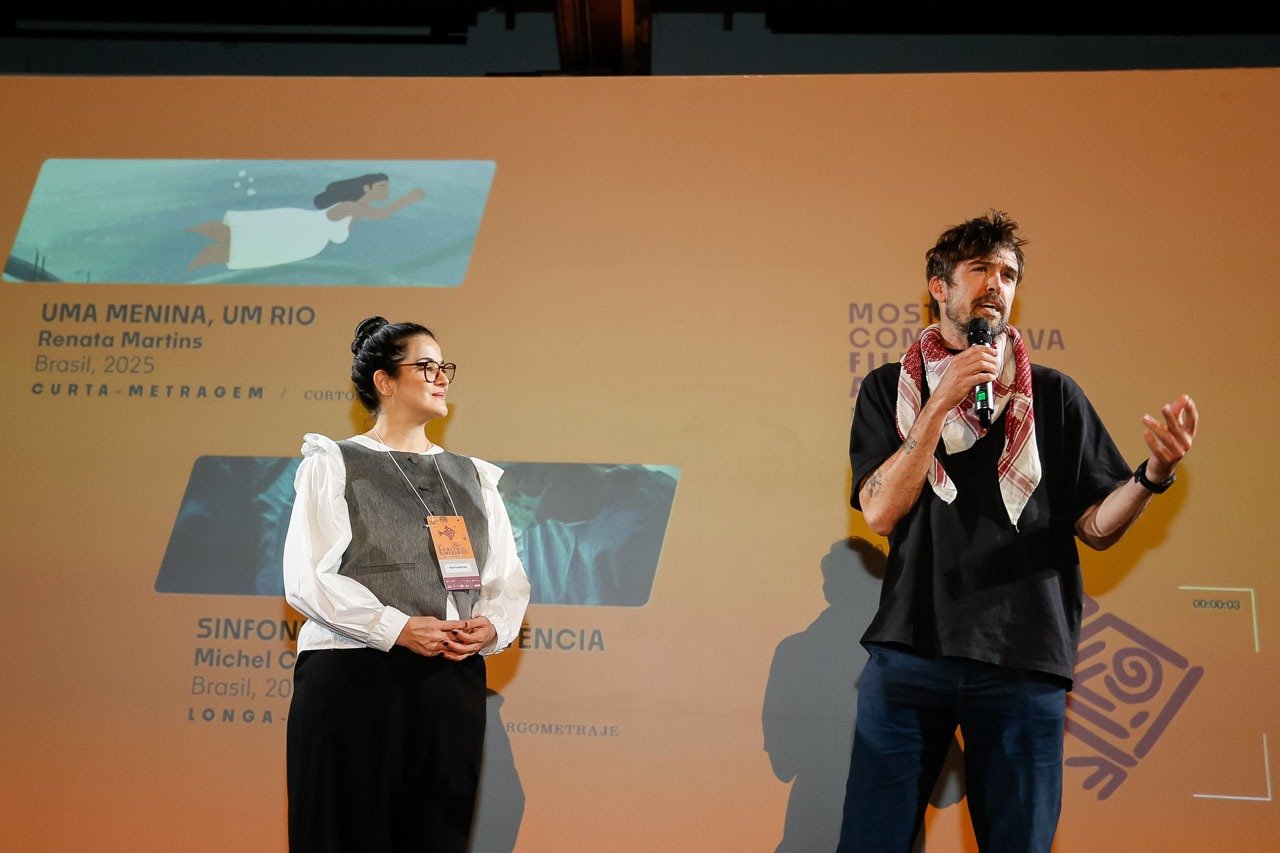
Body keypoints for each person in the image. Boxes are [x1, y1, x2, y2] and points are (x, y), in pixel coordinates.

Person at [836, 211, 1198, 852]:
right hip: (911, 653)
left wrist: (1153, 475)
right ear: (939, 286)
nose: (995, 285)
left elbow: (1097, 526)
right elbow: (881, 513)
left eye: (1007, 274)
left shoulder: (1054, 396)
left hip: (1023, 658)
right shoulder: (889, 389)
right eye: (980, 269)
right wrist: (940, 402)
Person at [283, 316, 530, 853]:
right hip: (353, 677)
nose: (441, 378)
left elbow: (505, 579)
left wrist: (491, 626)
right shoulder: (334, 463)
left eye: (445, 368)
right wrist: (395, 628)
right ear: (385, 381)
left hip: (449, 681)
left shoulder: (474, 476)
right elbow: (309, 576)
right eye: (426, 366)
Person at [188, 174, 424, 270]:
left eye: (387, 188)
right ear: (367, 188)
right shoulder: (353, 206)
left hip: (301, 241)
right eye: (382, 187)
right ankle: (189, 236)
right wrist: (407, 199)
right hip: (297, 230)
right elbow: (382, 215)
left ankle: (193, 259)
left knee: (238, 246)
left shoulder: (357, 210)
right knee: (236, 236)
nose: (386, 192)